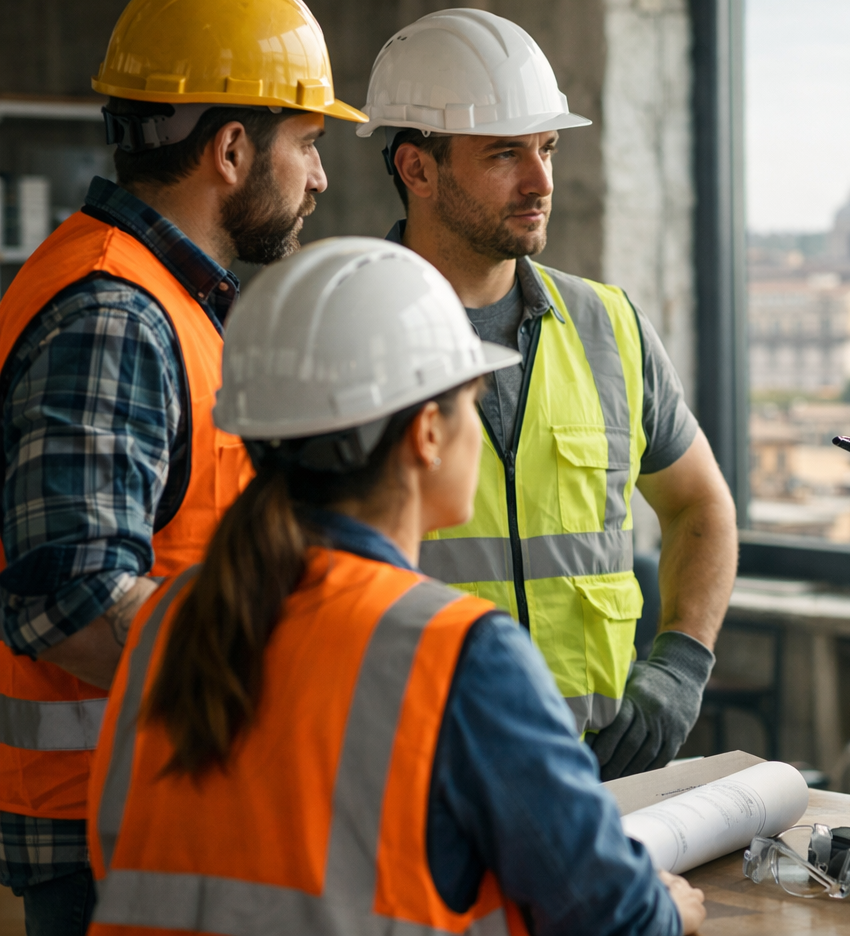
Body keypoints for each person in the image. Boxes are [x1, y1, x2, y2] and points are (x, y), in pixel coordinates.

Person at [85, 238, 706, 936]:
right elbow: (608, 917)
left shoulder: (171, 615)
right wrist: (666, 909)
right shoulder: (457, 653)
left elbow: (121, 858)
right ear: (427, 436)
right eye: (471, 399)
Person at [0, 0, 365, 933]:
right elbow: (68, 597)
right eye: (312, 142)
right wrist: (287, 676)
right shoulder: (115, 313)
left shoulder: (170, 301)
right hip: (110, 835)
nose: (322, 177)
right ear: (234, 149)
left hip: (156, 811)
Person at [356, 10, 737, 778]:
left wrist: (679, 667)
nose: (542, 182)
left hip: (596, 778)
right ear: (416, 169)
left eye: (548, 148)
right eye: (505, 154)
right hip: (417, 780)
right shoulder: (344, 334)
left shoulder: (609, 327)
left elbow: (702, 506)